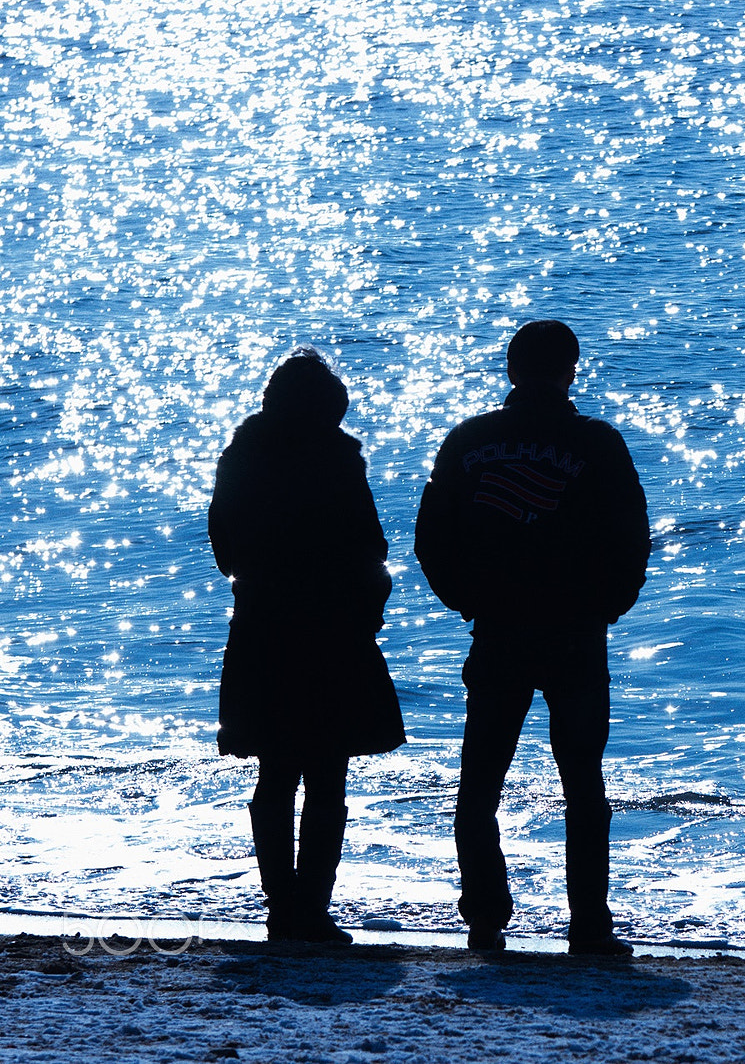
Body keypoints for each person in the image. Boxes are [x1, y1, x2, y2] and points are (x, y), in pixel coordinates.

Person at [415, 319, 650, 955]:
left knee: (480, 779)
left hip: (499, 628)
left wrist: (467, 600)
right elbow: (632, 534)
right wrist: (610, 605)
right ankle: (589, 923)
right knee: (583, 782)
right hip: (575, 631)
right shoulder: (597, 443)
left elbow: (431, 538)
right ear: (571, 370)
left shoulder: (469, 440)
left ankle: (485, 916)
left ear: (510, 370)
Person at [208, 348, 405, 944]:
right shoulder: (339, 458)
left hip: (263, 628)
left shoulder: (241, 455)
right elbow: (371, 544)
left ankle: (280, 906)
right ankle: (312, 907)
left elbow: (224, 553)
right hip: (333, 632)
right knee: (327, 774)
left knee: (274, 771)